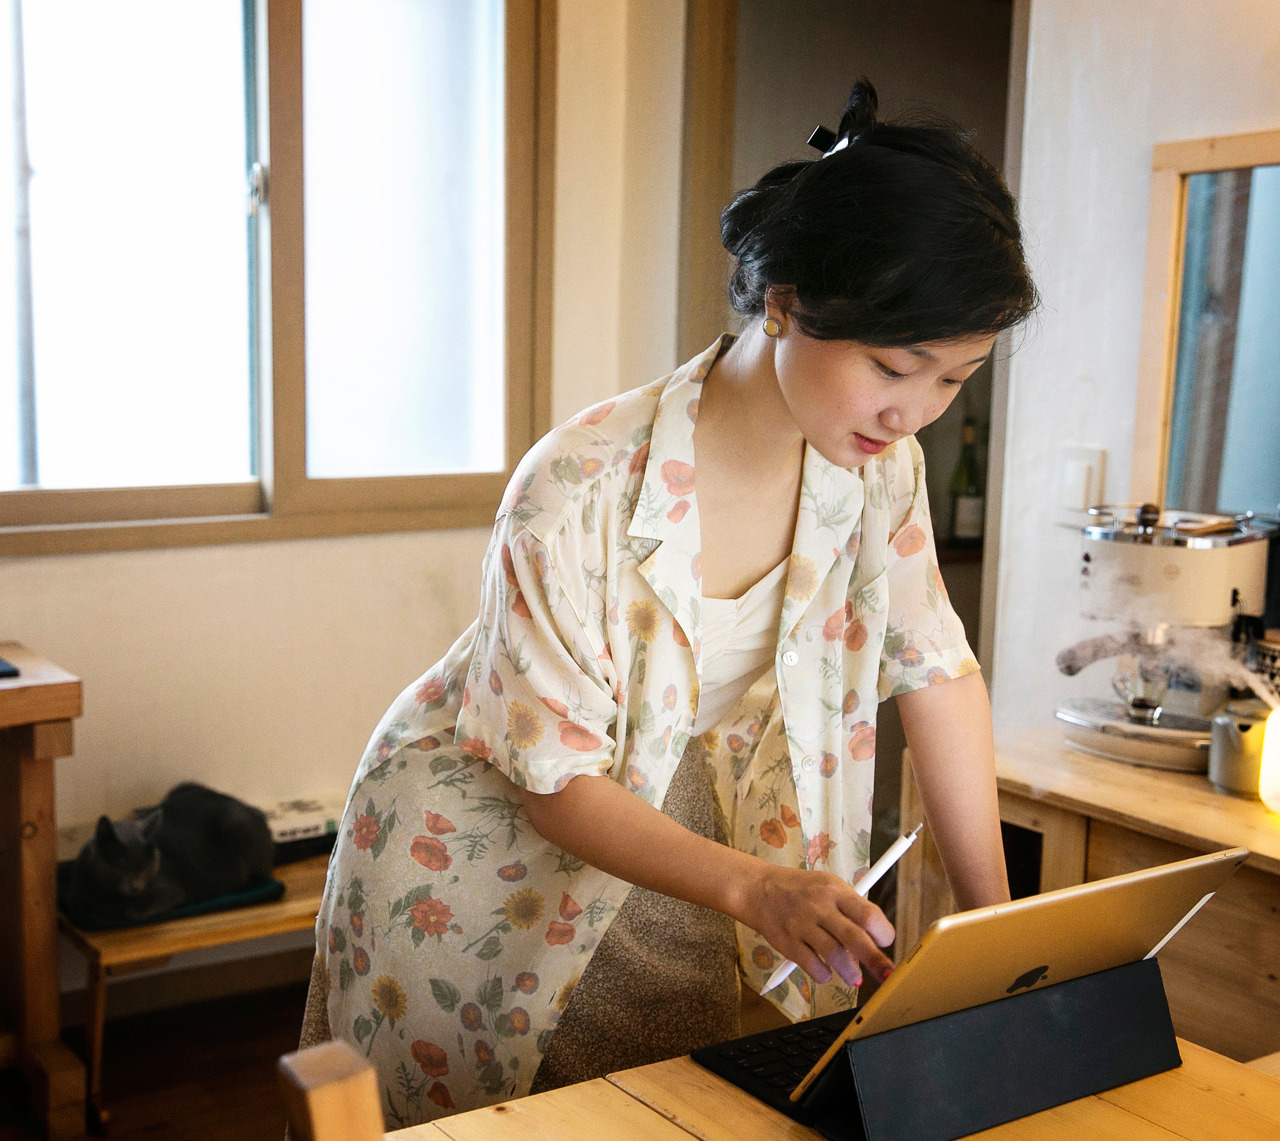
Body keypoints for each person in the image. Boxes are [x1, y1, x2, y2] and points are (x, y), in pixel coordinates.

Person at [299, 79, 1037, 1126]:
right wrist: (754, 887)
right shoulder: (575, 487)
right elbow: (553, 778)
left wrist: (999, 933)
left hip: (681, 819)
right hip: (483, 839)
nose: (912, 412)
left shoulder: (880, 470)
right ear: (783, 301)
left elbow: (936, 669)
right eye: (892, 367)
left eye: (953, 381)